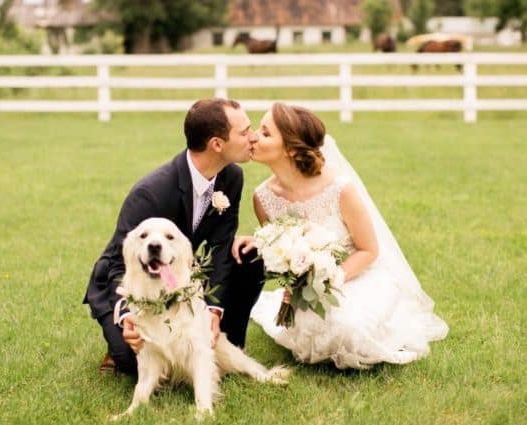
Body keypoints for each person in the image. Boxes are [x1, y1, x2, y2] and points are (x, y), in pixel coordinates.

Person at [233, 102, 448, 369]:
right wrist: (263, 244)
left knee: (350, 327)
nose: (253, 136)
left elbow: (369, 250)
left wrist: (332, 278)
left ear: (290, 148)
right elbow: (280, 253)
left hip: (360, 276)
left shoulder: (339, 189)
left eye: (265, 133)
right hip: (309, 288)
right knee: (314, 327)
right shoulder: (263, 198)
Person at [84, 98, 265, 375]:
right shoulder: (151, 192)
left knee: (249, 256)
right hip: (129, 283)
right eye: (244, 132)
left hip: (177, 274)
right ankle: (116, 346)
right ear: (217, 144)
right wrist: (128, 315)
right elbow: (119, 265)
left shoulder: (231, 178)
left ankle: (225, 337)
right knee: (132, 360)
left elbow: (220, 247)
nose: (252, 138)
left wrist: (214, 312)